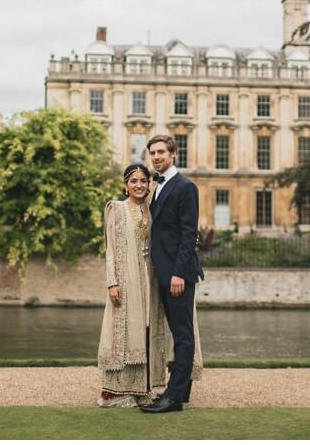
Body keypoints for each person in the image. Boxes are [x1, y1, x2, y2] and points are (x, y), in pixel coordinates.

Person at [140, 134, 204, 414]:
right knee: (179, 333)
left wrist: (179, 273)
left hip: (178, 274)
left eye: (161, 152)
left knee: (183, 335)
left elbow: (189, 234)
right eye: (152, 153)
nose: (156, 157)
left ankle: (174, 398)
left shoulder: (185, 186)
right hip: (164, 272)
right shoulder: (157, 187)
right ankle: (182, 390)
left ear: (173, 153)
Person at [96, 164, 169, 407]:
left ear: (149, 185)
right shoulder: (116, 209)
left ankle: (143, 387)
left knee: (147, 329)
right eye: (133, 181)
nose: (139, 185)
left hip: (151, 279)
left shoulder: (152, 209)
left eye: (143, 181)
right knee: (124, 330)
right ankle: (115, 391)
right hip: (126, 279)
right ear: (125, 185)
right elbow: (111, 250)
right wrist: (112, 282)